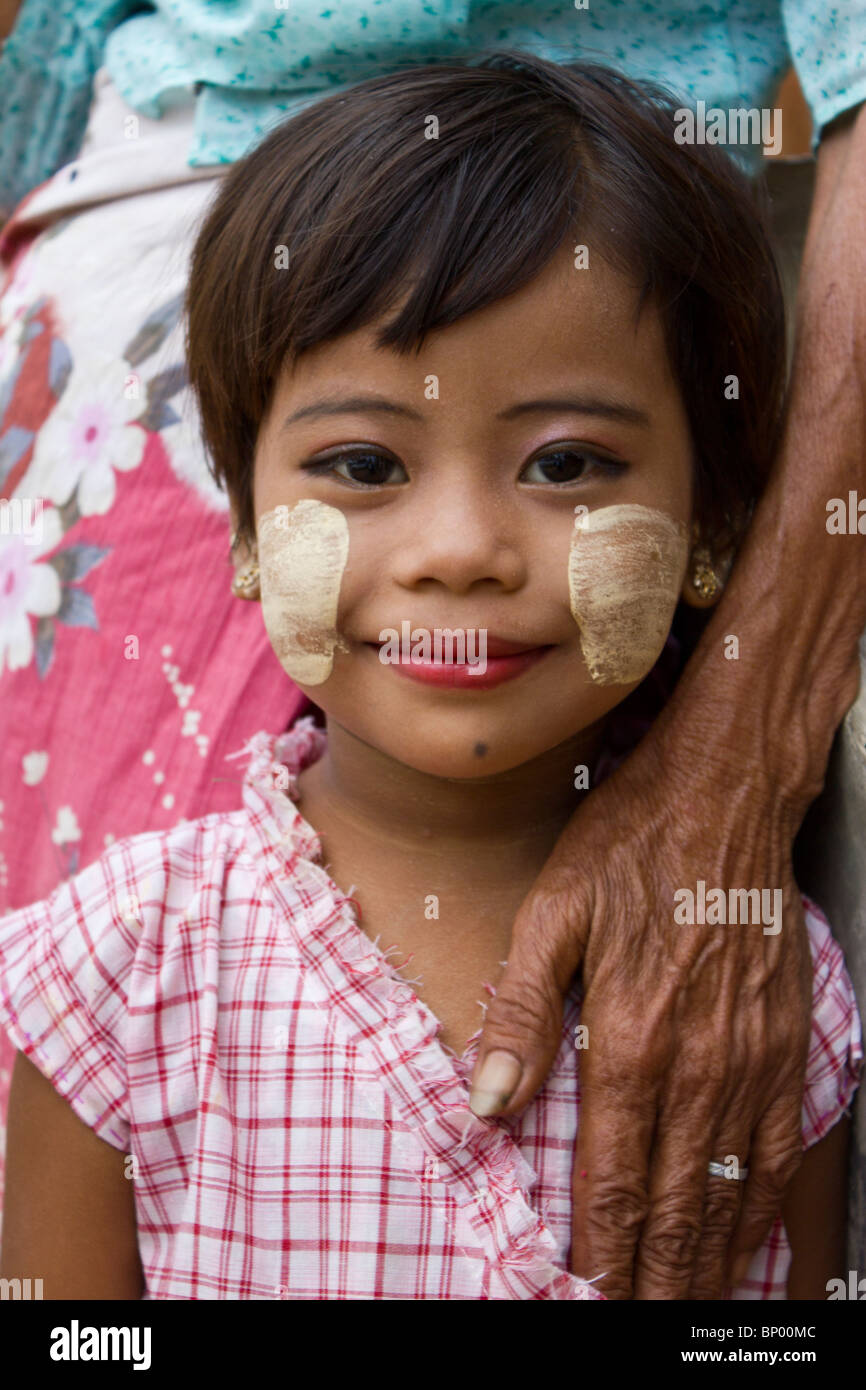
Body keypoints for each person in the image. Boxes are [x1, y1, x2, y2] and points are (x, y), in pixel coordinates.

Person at [1, 1, 865, 1301]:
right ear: (242, 526)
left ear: (710, 530)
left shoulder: (766, 983)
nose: (457, 545)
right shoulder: (118, 965)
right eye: (362, 465)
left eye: (565, 463)